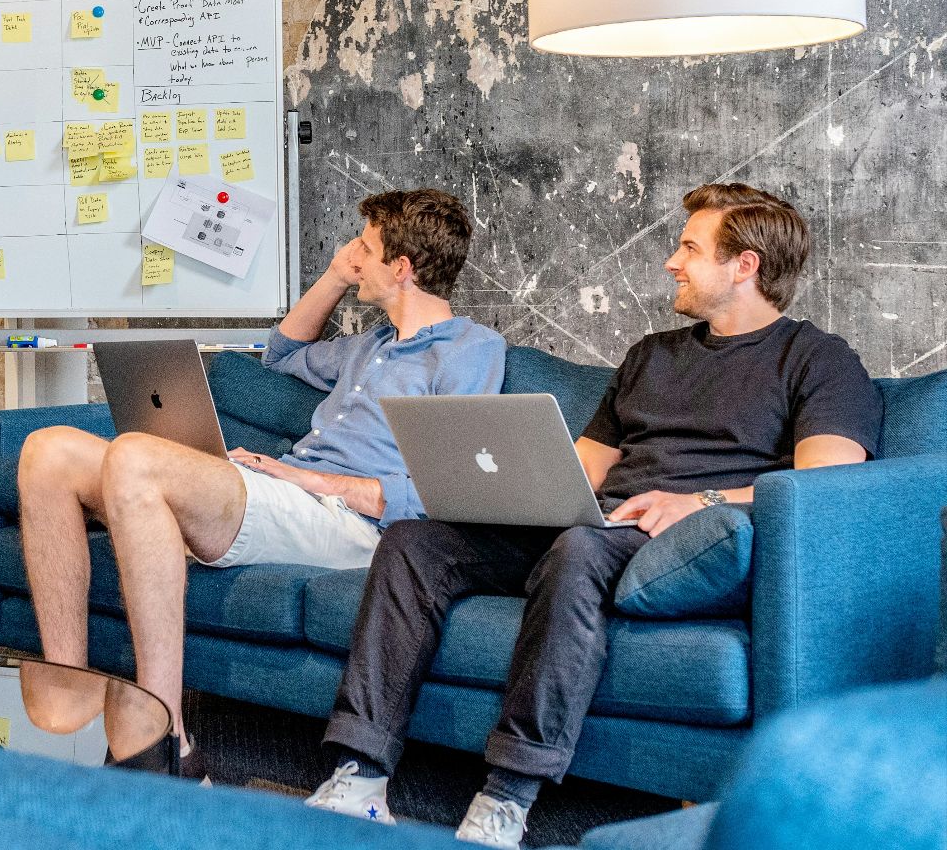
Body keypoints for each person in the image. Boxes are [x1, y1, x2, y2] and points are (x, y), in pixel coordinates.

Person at [308, 183, 881, 848]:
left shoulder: (818, 359)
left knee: (578, 547)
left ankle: (507, 796)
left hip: (687, 541)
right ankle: (361, 774)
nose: (672, 260)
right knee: (415, 541)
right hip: (598, 527)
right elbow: (579, 470)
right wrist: (503, 490)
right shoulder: (652, 355)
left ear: (744, 265)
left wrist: (700, 501)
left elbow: (827, 481)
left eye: (690, 247)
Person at [16, 189, 507, 778]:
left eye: (365, 248)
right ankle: (70, 680)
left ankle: (167, 734)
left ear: (401, 269)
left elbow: (440, 492)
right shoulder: (371, 347)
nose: (352, 254)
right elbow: (282, 353)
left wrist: (306, 477)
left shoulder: (469, 351)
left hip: (352, 525)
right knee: (48, 452)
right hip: (288, 497)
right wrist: (332, 278)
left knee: (136, 458)